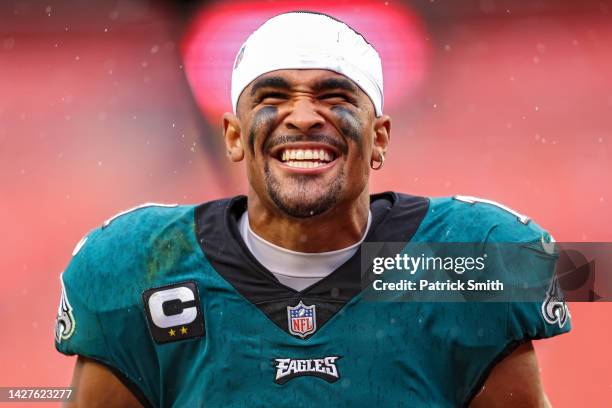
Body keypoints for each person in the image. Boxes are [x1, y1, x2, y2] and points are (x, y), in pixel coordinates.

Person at [55, 11, 570, 407]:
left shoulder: (480, 255)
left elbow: (588, 274)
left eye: (334, 96)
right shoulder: (138, 263)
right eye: (272, 97)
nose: (303, 117)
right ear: (234, 137)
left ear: (379, 139)